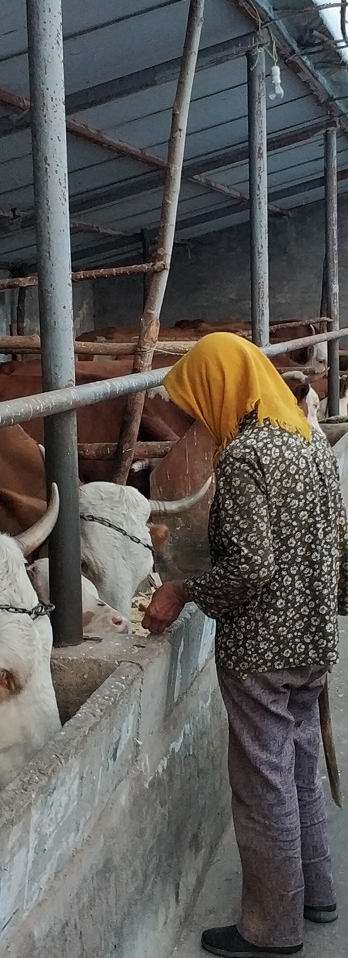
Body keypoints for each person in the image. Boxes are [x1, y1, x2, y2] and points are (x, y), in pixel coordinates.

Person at [142, 332, 348, 958]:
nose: (196, 420)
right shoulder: (310, 439)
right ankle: (317, 893)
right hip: (312, 640)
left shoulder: (245, 456)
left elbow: (250, 567)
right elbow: (340, 541)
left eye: (197, 403)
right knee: (300, 766)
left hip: (260, 651)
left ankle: (272, 929)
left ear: (221, 388)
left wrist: (184, 589)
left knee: (263, 785)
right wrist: (323, 612)